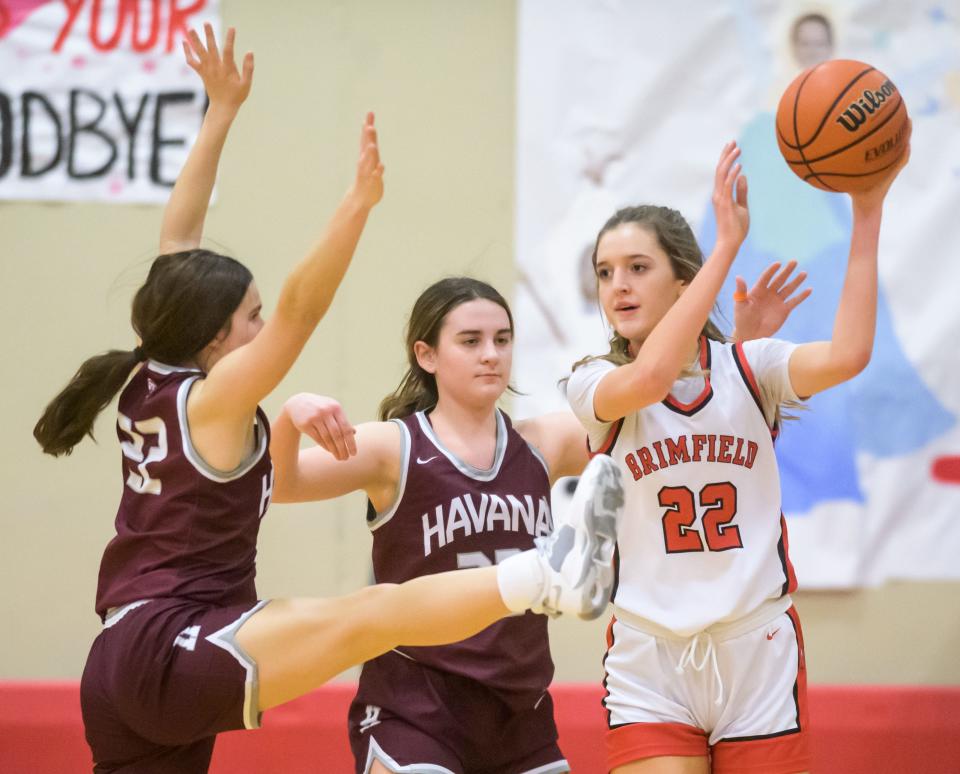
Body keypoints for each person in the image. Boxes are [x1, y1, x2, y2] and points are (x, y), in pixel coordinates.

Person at [32, 26, 623, 774]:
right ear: (215, 339)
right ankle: (548, 575)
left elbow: (179, 236)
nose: (260, 324)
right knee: (370, 615)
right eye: (248, 317)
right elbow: (301, 314)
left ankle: (548, 575)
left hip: (117, 654)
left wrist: (219, 114)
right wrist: (356, 207)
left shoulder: (154, 366)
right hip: (178, 642)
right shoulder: (213, 399)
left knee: (367, 617)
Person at [270, 262, 810, 773]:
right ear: (426, 355)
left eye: (502, 340)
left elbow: (675, 429)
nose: (491, 355)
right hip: (417, 702)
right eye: (471, 341)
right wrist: (292, 416)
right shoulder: (394, 446)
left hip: (518, 709)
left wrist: (740, 351)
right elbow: (282, 484)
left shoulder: (543, 442)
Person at [564, 135, 910, 774]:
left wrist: (867, 212)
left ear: (683, 280)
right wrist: (726, 245)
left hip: (757, 649)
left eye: (638, 267)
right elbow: (648, 379)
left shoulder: (753, 368)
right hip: (652, 655)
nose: (618, 285)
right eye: (605, 272)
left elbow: (850, 353)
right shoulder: (591, 382)